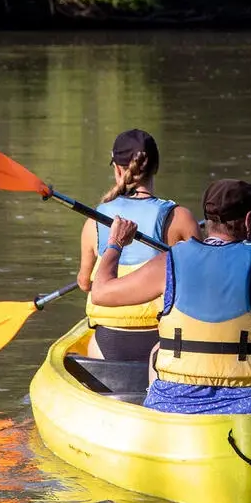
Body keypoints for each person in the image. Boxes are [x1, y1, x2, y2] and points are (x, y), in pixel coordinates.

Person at [88, 179, 251, 414]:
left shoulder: (168, 264)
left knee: (159, 348)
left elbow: (101, 292)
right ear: (249, 222)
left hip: (173, 408)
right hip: (248, 412)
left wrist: (115, 243)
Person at [77, 129, 200, 360]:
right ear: (156, 167)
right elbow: (202, 282)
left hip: (108, 343)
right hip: (164, 343)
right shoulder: (181, 218)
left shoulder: (94, 220)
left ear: (118, 169)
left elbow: (84, 283)